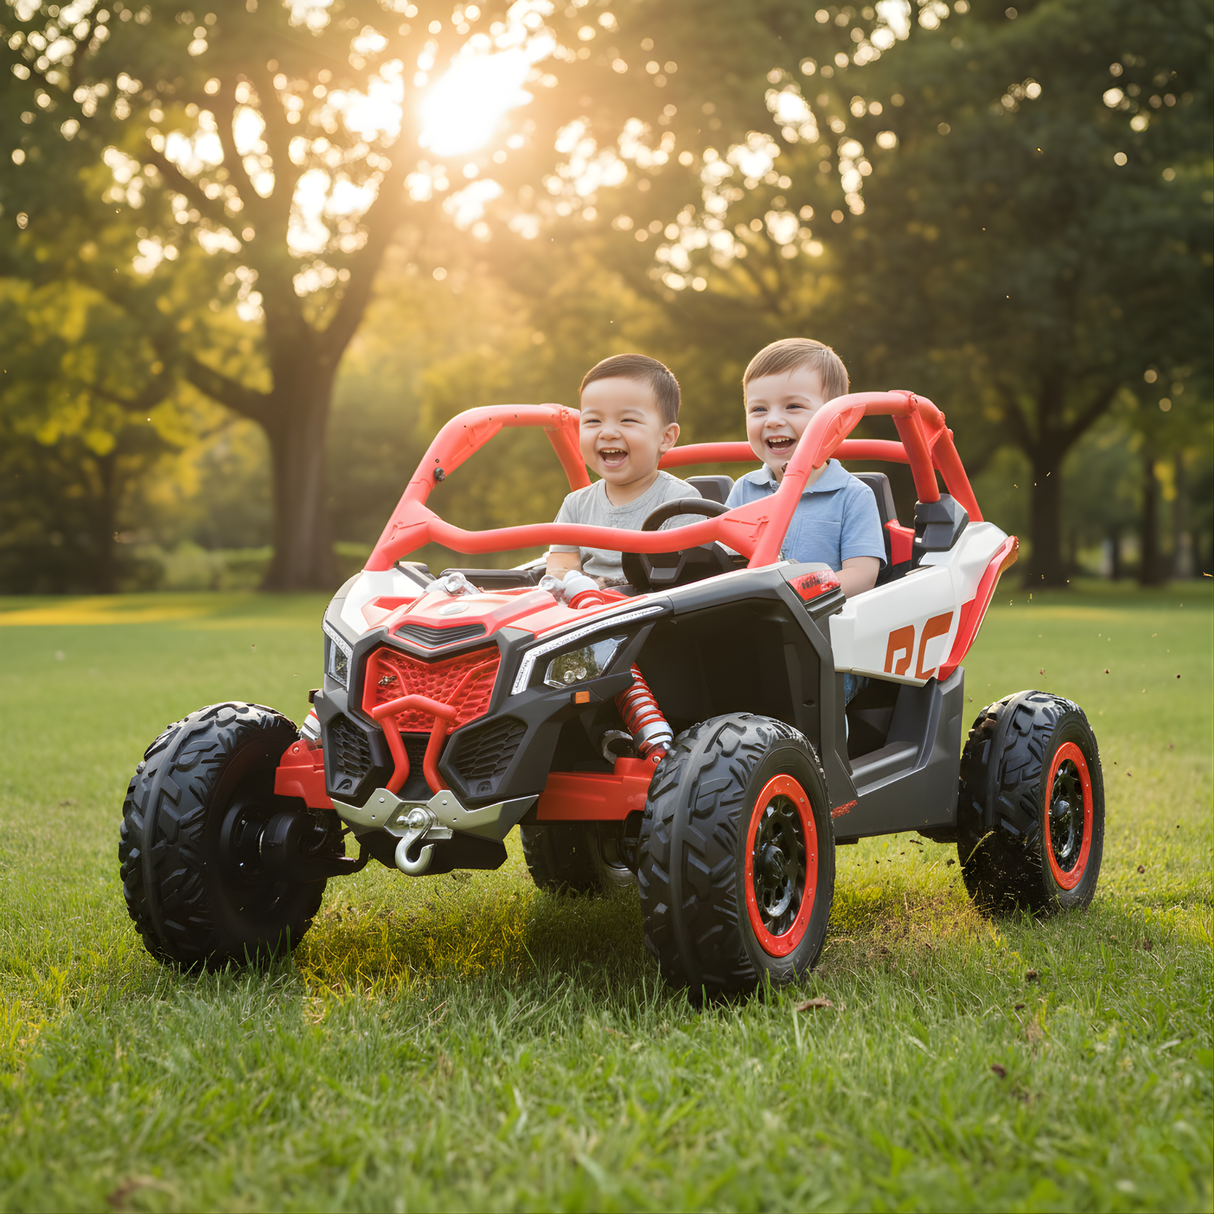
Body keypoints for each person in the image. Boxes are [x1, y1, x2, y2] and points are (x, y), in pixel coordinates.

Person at [725, 338, 885, 599]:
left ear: (836, 422)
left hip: (823, 626)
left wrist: (797, 592)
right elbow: (724, 564)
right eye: (759, 409)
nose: (774, 420)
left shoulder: (853, 495)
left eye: (793, 406)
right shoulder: (744, 489)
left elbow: (861, 575)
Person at [545, 353, 702, 587]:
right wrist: (572, 587)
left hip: (649, 614)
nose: (607, 432)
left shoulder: (680, 502)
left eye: (627, 420)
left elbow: (683, 584)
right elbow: (560, 570)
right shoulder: (575, 505)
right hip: (587, 610)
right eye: (593, 421)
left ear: (666, 437)